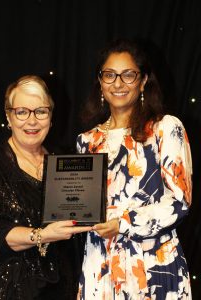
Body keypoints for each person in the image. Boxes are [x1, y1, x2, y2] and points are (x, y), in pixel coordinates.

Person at [76, 39, 192, 299]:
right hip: (100, 263)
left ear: (143, 81)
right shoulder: (87, 140)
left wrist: (122, 224)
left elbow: (179, 202)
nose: (118, 83)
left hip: (153, 264)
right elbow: (83, 205)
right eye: (109, 75)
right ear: (100, 82)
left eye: (128, 75)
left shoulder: (166, 128)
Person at [0, 75, 91, 299]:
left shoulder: (63, 160)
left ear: (50, 116)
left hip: (60, 288)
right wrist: (42, 235)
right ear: (9, 117)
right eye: (22, 112)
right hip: (6, 288)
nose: (32, 121)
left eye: (41, 111)